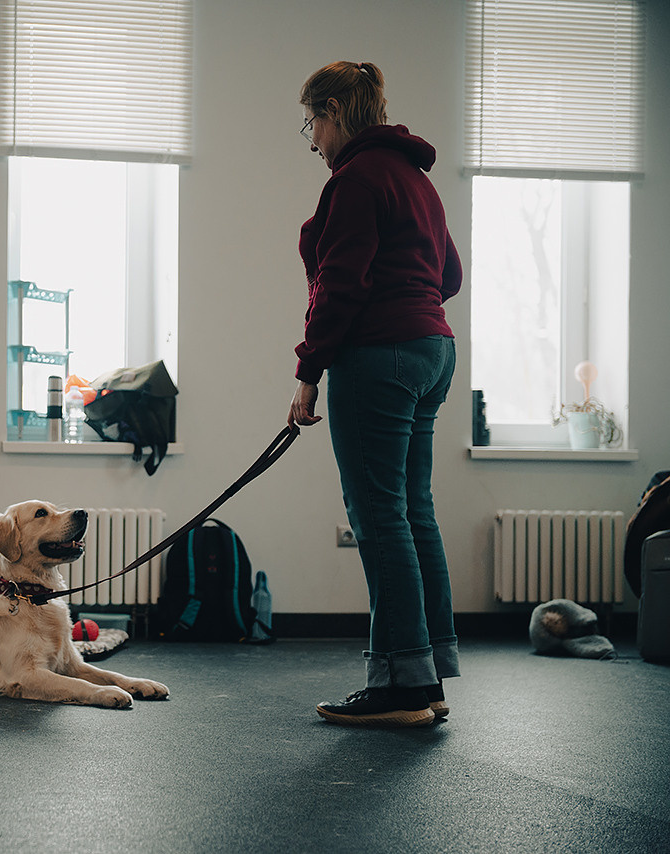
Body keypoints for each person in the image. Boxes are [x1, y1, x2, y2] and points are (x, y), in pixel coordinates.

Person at [287, 62, 462, 727]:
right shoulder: (416, 179)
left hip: (381, 355)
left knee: (379, 515)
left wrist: (310, 370)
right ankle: (426, 678)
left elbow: (340, 283)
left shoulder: (356, 179)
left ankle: (398, 687)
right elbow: (450, 274)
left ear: (333, 111)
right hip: (433, 350)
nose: (312, 141)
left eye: (312, 123)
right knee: (413, 510)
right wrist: (409, 304)